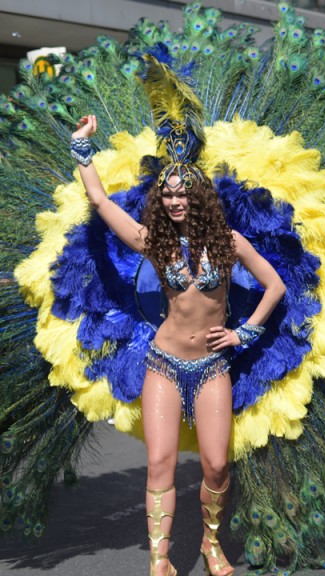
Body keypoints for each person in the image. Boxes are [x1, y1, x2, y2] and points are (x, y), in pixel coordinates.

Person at [71, 114, 285, 575]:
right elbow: (101, 201)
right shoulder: (154, 243)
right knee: (160, 462)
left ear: (199, 197)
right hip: (164, 364)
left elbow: (274, 287)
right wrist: (82, 146)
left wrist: (243, 333)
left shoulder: (229, 243)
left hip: (212, 367)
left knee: (216, 466)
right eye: (167, 194)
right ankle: (159, 560)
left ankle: (211, 545)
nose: (174, 201)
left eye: (182, 193)